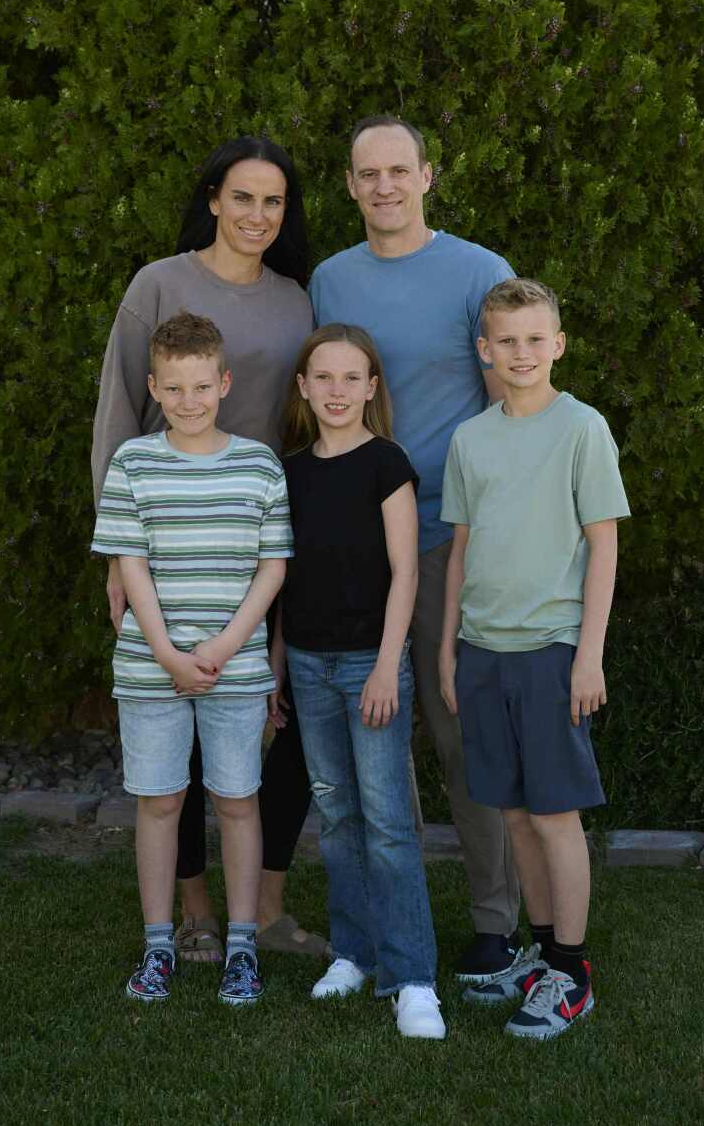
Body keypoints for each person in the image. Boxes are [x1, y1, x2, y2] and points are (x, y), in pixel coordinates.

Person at [92, 136, 326, 962]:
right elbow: (119, 412)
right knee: (173, 717)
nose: (258, 215)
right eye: (243, 197)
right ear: (214, 199)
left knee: (277, 713)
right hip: (167, 531)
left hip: (266, 528)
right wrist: (121, 559)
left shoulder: (298, 299)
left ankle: (262, 905)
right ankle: (191, 909)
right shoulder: (160, 283)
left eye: (274, 201)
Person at [309, 115, 521, 983]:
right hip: (348, 547)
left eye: (401, 170)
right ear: (352, 185)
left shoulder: (479, 272)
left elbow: (518, 399)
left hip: (450, 542)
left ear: (428, 176)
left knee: (457, 730)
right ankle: (367, 930)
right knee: (356, 743)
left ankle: (496, 921)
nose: (385, 186)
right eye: (369, 173)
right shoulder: (329, 278)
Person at [439, 278, 630, 1039]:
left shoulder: (581, 428)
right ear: (485, 350)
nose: (521, 353)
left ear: (557, 343)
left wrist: (590, 654)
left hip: (550, 650)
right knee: (514, 812)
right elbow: (459, 550)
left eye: (534, 339)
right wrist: (451, 648)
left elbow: (605, 545)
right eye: (505, 341)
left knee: (555, 816)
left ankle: (572, 971)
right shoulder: (470, 439)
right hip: (481, 649)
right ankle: (542, 952)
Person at [92, 312, 294, 1004]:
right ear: (153, 386)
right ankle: (159, 943)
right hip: (152, 671)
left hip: (233, 669)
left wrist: (221, 646)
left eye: (201, 386)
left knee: (237, 799)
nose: (188, 401)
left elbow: (272, 568)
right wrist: (169, 654)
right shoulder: (134, 464)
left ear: (224, 382)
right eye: (173, 388)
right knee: (161, 800)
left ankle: (241, 945)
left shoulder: (258, 464)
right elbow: (133, 565)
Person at [267, 323, 446, 1039]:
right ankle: (355, 952)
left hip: (371, 663)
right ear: (304, 387)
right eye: (324, 377)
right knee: (336, 819)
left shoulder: (386, 463)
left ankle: (414, 978)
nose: (337, 391)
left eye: (351, 378)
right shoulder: (291, 471)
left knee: (388, 825)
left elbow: (405, 571)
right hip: (308, 664)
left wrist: (385, 664)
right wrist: (278, 665)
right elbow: (285, 577)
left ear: (371, 387)